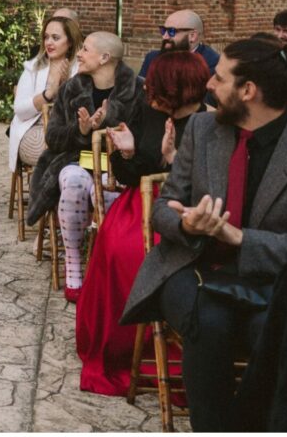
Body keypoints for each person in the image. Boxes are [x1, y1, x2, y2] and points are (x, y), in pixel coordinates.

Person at [121, 37, 287, 432]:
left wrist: (241, 239)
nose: (208, 86)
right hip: (192, 268)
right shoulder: (202, 129)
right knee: (210, 321)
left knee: (273, 332)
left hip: (273, 284)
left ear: (248, 91)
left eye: (218, 77)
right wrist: (184, 224)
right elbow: (164, 208)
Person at [76, 50, 210, 396]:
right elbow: (125, 176)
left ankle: (170, 348)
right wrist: (128, 153)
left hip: (187, 210)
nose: (147, 88)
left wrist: (172, 162)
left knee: (140, 253)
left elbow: (210, 186)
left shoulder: (210, 123)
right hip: (138, 202)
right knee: (120, 247)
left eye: (155, 83)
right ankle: (120, 347)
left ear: (175, 86)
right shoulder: (147, 113)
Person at [27, 32, 143, 301]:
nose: (78, 54)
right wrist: (80, 131)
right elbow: (52, 138)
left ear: (104, 57)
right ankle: (74, 267)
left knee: (106, 192)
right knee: (75, 182)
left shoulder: (138, 90)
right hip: (74, 162)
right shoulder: (71, 88)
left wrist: (111, 126)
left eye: (86, 50)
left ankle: (108, 270)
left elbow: (144, 139)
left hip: (120, 168)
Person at [9, 16, 81, 173]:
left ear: (70, 42)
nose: (49, 43)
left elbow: (80, 111)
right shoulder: (33, 68)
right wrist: (50, 93)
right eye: (46, 37)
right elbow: (20, 110)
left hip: (68, 131)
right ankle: (51, 193)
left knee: (73, 151)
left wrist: (65, 86)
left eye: (55, 38)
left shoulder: (80, 69)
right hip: (34, 130)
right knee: (58, 154)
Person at [138, 9, 220, 77]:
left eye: (171, 31)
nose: (165, 36)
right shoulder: (153, 58)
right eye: (163, 30)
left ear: (192, 36)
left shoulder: (210, 63)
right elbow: (141, 92)